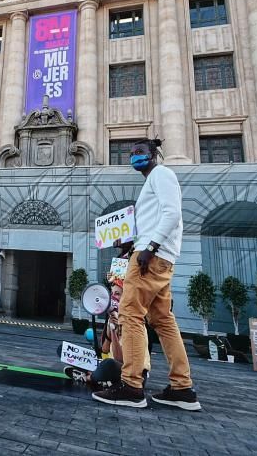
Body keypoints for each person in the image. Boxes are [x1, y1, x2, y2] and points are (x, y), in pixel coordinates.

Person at [92, 139, 201, 411]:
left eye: (140, 152)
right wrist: (133, 244)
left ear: (154, 154)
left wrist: (149, 248)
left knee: (129, 315)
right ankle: (182, 388)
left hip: (151, 259)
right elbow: (157, 220)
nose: (134, 157)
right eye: (131, 153)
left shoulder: (162, 174)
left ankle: (131, 386)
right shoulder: (152, 180)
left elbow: (173, 213)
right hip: (157, 256)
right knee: (163, 321)